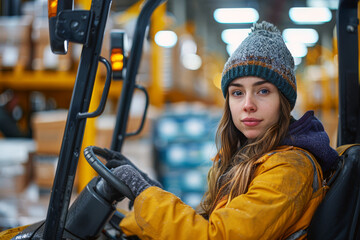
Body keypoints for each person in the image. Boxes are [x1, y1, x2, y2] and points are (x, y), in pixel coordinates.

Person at [104, 21, 339, 239]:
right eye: (237, 92)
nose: (248, 104)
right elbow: (206, 222)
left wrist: (146, 195)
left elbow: (216, 236)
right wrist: (148, 192)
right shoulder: (248, 157)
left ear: (284, 101)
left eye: (263, 91)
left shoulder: (289, 168)